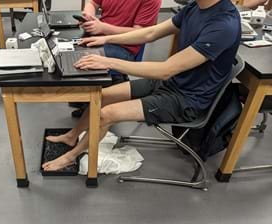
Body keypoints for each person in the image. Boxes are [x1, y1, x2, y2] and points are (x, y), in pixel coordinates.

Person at [42, 0, 241, 172]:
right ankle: (71, 136)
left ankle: (70, 157)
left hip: (187, 100)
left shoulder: (223, 25)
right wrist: (106, 38)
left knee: (106, 114)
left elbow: (166, 69)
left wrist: (109, 62)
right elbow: (151, 33)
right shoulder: (194, 8)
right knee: (101, 96)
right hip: (172, 83)